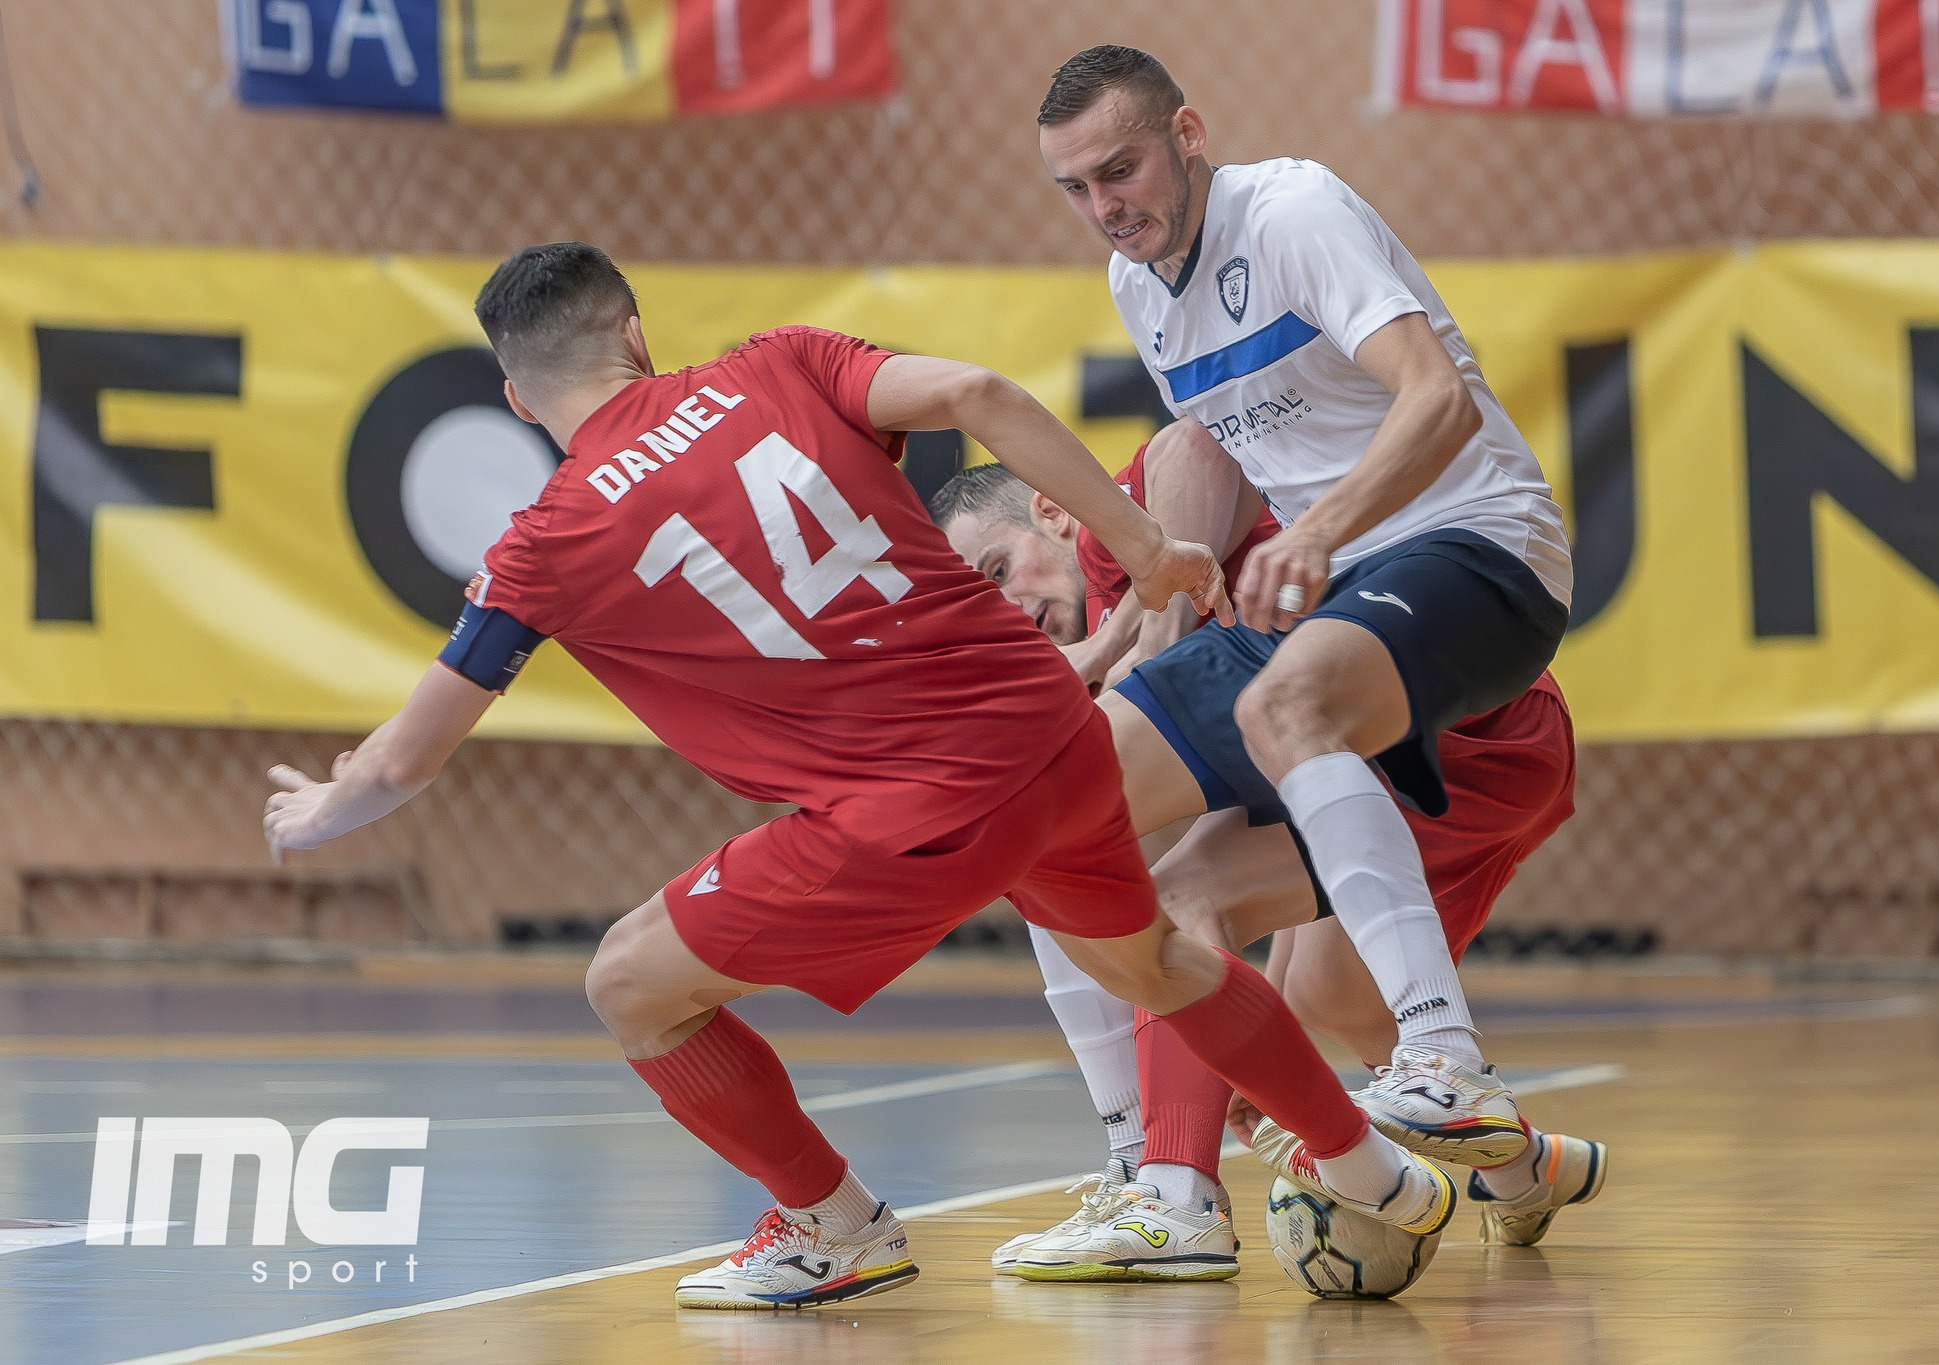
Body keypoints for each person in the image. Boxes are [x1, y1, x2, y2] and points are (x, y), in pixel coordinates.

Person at [259, 242, 1461, 1311]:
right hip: (1054, 737)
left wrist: (321, 811)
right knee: (1156, 960)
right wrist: (1143, 548)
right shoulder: (780, 361)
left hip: (914, 812)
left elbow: (406, 762)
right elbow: (976, 394)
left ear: (518, 398)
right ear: (633, 330)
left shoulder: (547, 539)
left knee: (629, 984)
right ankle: (1374, 1173)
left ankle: (835, 1228)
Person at [1026, 44, 1589, 1260]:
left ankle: (1445, 1064)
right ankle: (1156, 1187)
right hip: (1320, 607)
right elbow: (1206, 458)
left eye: (1118, 169)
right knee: (1040, 804)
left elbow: (1433, 398)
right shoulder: (1140, 288)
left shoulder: (1289, 208)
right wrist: (1135, 630)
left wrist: (1321, 531)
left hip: (1471, 545)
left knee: (1289, 710)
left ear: (1186, 131)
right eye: (1073, 188)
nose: (1102, 206)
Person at [935, 432, 1600, 1280]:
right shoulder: (1089, 645)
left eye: (998, 570)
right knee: (1327, 1005)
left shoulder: (1116, 541)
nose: (1008, 606)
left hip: (1460, 734)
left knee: (1089, 844)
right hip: (1399, 746)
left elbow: (1195, 445)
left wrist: (1151, 644)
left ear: (1055, 512)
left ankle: (1166, 1190)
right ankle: (1525, 1171)